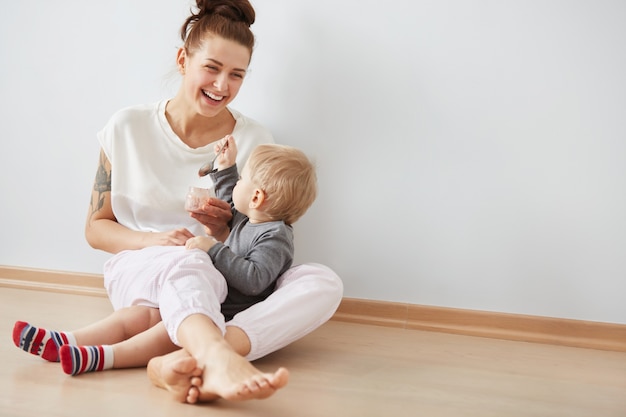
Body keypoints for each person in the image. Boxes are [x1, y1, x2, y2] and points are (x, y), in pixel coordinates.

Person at [14, 0, 342, 404]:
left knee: (322, 281)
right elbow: (96, 228)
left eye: (236, 75)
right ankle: (217, 356)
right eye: (212, 68)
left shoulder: (256, 140)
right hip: (146, 268)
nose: (222, 85)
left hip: (225, 282)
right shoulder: (127, 127)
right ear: (183, 59)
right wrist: (156, 242)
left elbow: (251, 239)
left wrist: (221, 229)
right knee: (190, 260)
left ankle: (187, 357)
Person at [13, 138, 317, 402]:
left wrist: (213, 249)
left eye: (242, 180)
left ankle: (101, 358)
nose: (236, 184)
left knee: (161, 332)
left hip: (223, 313)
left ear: (256, 197)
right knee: (137, 315)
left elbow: (254, 280)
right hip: (201, 297)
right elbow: (229, 201)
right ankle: (69, 340)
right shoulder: (250, 219)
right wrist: (226, 167)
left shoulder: (274, 238)